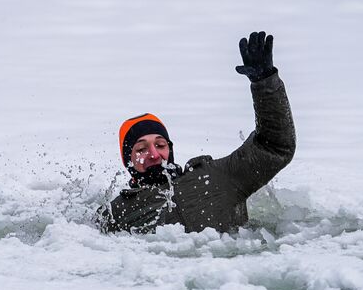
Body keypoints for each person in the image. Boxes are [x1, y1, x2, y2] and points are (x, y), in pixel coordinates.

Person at [97, 31, 296, 234]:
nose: (154, 155)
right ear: (127, 160)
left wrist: (264, 83)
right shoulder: (116, 213)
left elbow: (274, 147)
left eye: (160, 145)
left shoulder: (217, 176)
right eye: (141, 149)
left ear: (170, 149)